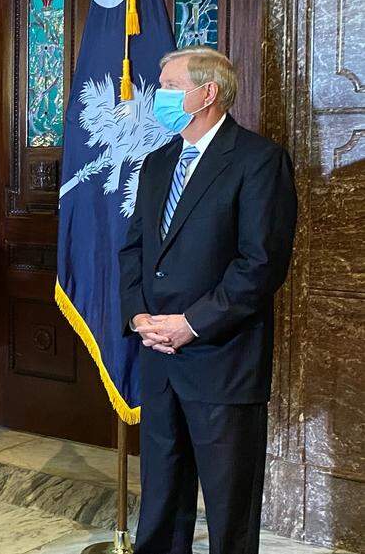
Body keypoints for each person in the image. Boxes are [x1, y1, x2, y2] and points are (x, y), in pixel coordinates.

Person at [119, 46, 298, 554]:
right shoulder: (157, 163)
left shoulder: (259, 161)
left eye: (170, 88)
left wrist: (190, 324)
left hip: (222, 360)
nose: (158, 98)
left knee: (229, 506)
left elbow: (260, 264)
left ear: (207, 93)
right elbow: (133, 248)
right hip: (158, 357)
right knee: (160, 497)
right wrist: (138, 317)